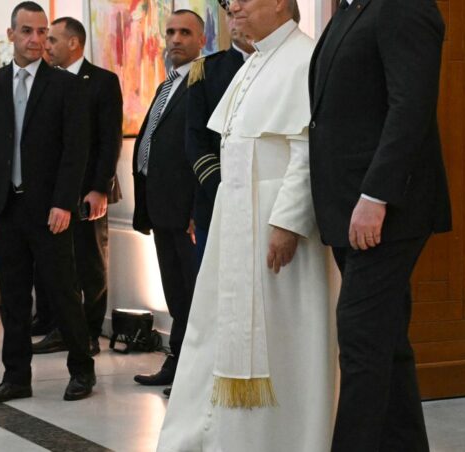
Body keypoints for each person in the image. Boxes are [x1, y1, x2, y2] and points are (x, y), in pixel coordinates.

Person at [157, 2, 340, 450]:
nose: (232, 6)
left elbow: (307, 150)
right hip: (236, 221)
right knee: (215, 333)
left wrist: (288, 222)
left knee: (281, 341)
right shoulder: (255, 62)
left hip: (276, 228)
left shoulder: (304, 58)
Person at [309, 0, 450, 450]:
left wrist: (376, 195)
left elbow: (411, 106)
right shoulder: (351, 10)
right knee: (385, 342)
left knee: (361, 340)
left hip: (386, 209)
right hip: (347, 208)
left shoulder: (403, 6)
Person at [0, 1, 94, 403]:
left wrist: (64, 202)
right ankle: (16, 377)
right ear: (11, 35)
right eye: (27, 31)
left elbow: (76, 151)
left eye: (42, 32)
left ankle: (82, 370)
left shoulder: (65, 85)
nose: (36, 39)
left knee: (63, 292)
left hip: (50, 208)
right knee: (14, 298)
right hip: (5, 207)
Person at [31, 16, 123, 356]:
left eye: (52, 39)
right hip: (53, 191)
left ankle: (90, 333)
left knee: (90, 264)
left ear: (73, 43)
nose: (46, 45)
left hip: (88, 191)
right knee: (57, 264)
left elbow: (109, 140)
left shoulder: (102, 81)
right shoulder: (46, 81)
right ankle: (61, 328)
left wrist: (99, 188)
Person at [131, 9, 205, 389]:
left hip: (187, 212)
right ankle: (176, 362)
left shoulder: (203, 84)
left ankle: (193, 374)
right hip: (161, 208)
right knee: (176, 294)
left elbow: (206, 148)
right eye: (171, 32)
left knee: (193, 295)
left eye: (185, 33)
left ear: (202, 40)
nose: (176, 39)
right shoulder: (167, 85)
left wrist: (198, 208)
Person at [185, 7, 253, 265]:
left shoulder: (282, 66)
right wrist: (223, 188)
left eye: (240, 13)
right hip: (215, 200)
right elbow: (195, 140)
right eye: (229, 15)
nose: (234, 21)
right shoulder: (207, 70)